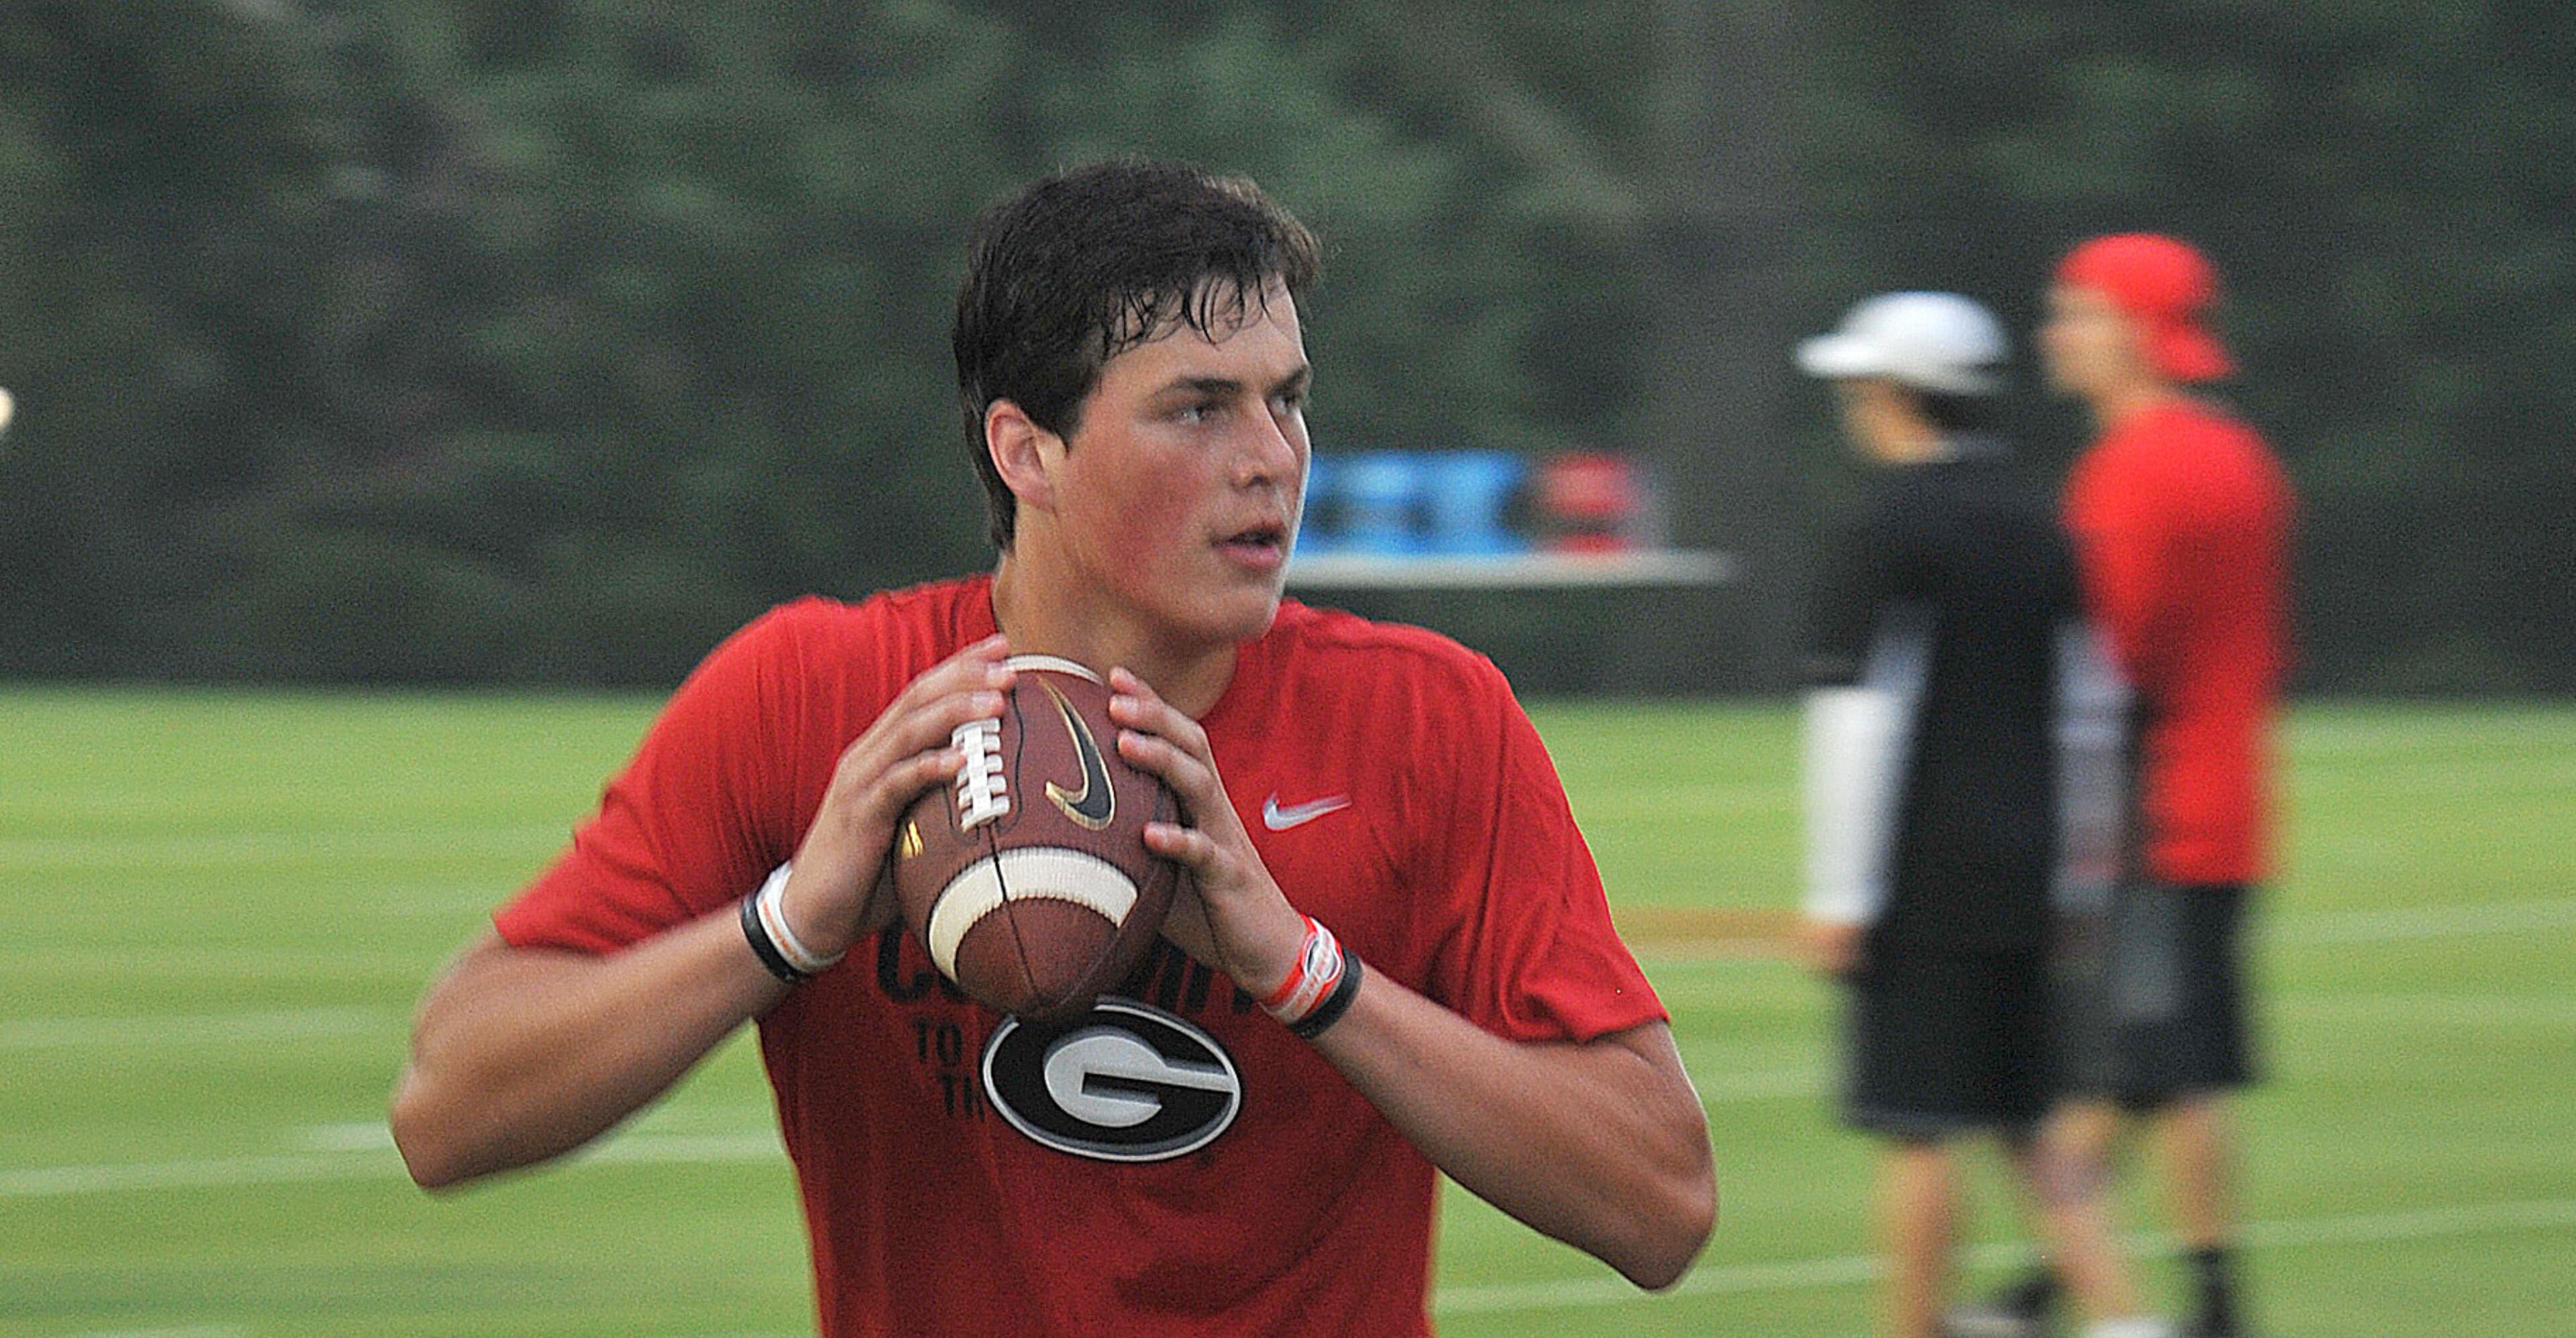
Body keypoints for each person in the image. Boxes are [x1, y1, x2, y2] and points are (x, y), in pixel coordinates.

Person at [388, 160, 1716, 1337]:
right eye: (1198, 409)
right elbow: (447, 1113)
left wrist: (1299, 970)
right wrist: (791, 923)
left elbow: (1659, 1206)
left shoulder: (1429, 723)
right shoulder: (817, 699)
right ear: (1027, 449)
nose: (1274, 458)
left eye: (1288, 400)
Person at [1794, 293, 2168, 1338]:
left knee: (1919, 1131)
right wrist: (2079, 874)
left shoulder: (1886, 529)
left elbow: (1859, 720)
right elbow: (2089, 708)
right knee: (2028, 1124)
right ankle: (2125, 1322)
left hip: (1923, 879)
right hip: (2026, 872)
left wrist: (1839, 895)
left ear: (1896, 397)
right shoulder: (2042, 525)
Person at [2005, 234, 2294, 1338]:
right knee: (2153, 1069)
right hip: (2229, 804)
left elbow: (2108, 657)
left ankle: (2198, 1306)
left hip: (2157, 816)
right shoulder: (2239, 454)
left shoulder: (2132, 466)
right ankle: (2057, 1288)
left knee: (2151, 1068)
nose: (2056, 335)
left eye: (2075, 311)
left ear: (2134, 330)